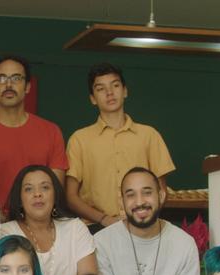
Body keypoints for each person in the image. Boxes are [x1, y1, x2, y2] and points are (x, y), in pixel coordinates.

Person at [94, 167, 200, 275]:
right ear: (121, 201)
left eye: (147, 192)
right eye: (131, 195)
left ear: (161, 195)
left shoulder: (184, 243)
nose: (140, 201)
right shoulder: (103, 241)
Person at [65, 63, 174, 230]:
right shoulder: (79, 139)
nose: (109, 93)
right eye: (101, 88)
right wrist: (104, 219)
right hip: (95, 227)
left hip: (142, 224)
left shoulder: (149, 135)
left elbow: (161, 191)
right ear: (92, 98)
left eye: (115, 85)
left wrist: (142, 219)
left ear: (125, 91)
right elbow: (71, 196)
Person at [0, 55, 68, 214]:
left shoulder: (51, 131)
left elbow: (55, 192)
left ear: (28, 86)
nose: (8, 84)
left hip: (42, 223)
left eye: (16, 78)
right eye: (1, 79)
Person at [1, 165, 97, 275]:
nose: (37, 194)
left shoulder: (75, 227)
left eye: (45, 187)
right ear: (19, 198)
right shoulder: (6, 233)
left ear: (55, 195)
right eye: (29, 189)